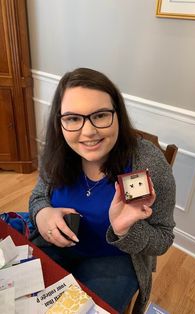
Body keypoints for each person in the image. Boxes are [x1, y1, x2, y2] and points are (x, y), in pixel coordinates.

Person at [29, 68, 176, 314]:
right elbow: (38, 197)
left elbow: (163, 238)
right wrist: (42, 213)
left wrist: (126, 230)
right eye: (73, 118)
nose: (88, 132)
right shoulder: (57, 152)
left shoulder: (147, 164)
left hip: (114, 261)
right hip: (55, 247)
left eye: (100, 115)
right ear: (60, 121)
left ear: (118, 114)